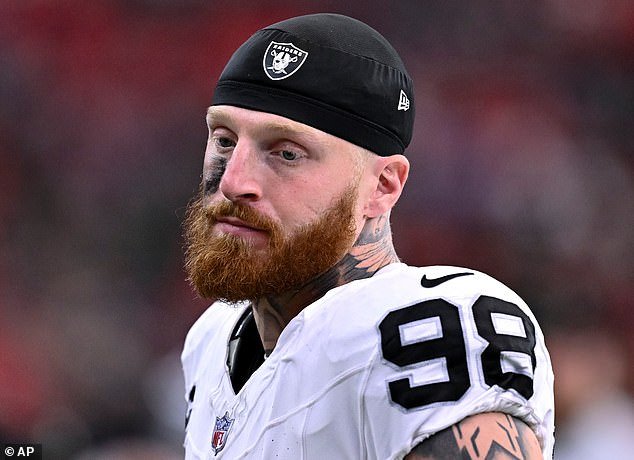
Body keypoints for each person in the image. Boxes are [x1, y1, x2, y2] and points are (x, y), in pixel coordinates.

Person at [181, 13, 554, 460]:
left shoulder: (430, 326)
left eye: (287, 153)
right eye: (224, 141)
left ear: (382, 185)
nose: (233, 181)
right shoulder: (211, 341)